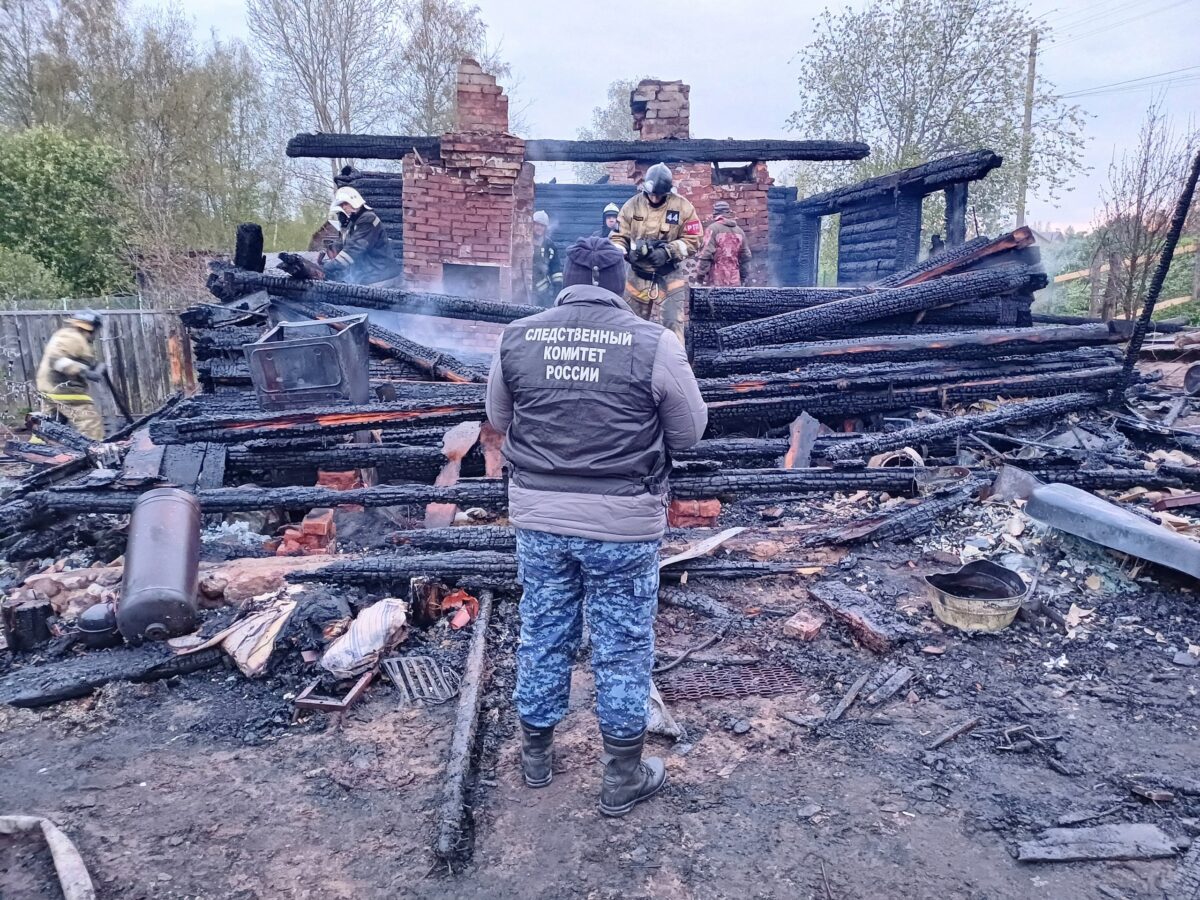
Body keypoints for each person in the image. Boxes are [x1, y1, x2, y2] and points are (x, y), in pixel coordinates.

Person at [485, 236, 707, 818]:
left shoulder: (518, 336)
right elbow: (688, 433)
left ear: (564, 280)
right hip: (624, 525)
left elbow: (498, 419)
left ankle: (536, 757)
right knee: (622, 646)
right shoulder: (654, 342)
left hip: (539, 518)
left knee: (544, 630)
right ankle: (620, 777)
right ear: (618, 285)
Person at [609, 163, 703, 343]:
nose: (654, 197)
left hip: (669, 277)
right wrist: (625, 252)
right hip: (637, 277)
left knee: (672, 326)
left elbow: (694, 239)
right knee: (630, 328)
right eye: (651, 193)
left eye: (659, 195)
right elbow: (617, 236)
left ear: (667, 192)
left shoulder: (683, 207)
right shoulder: (632, 205)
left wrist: (668, 252)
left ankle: (673, 368)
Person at [36, 310, 106, 441]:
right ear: (91, 327)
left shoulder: (66, 336)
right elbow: (56, 360)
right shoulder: (73, 338)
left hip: (49, 390)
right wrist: (86, 373)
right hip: (66, 391)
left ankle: (34, 452)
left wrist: (95, 366)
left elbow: (77, 360)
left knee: (47, 427)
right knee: (91, 426)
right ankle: (95, 455)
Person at [321, 187, 400, 284]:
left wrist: (329, 267)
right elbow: (348, 243)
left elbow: (354, 249)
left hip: (381, 276)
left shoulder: (368, 219)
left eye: (345, 203)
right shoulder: (355, 222)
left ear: (355, 201)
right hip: (371, 274)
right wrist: (333, 247)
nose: (343, 208)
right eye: (341, 205)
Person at [695, 201, 752, 287]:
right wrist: (743, 278)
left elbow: (706, 255)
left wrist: (699, 278)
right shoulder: (740, 231)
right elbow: (745, 257)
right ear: (729, 213)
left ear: (715, 213)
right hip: (735, 280)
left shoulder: (713, 229)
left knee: (716, 300)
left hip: (717, 280)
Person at [530, 210, 562, 307]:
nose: (539, 227)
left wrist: (557, 291)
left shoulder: (550, 246)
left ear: (545, 228)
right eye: (537, 224)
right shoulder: (525, 242)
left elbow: (556, 270)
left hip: (543, 293)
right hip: (524, 288)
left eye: (542, 225)